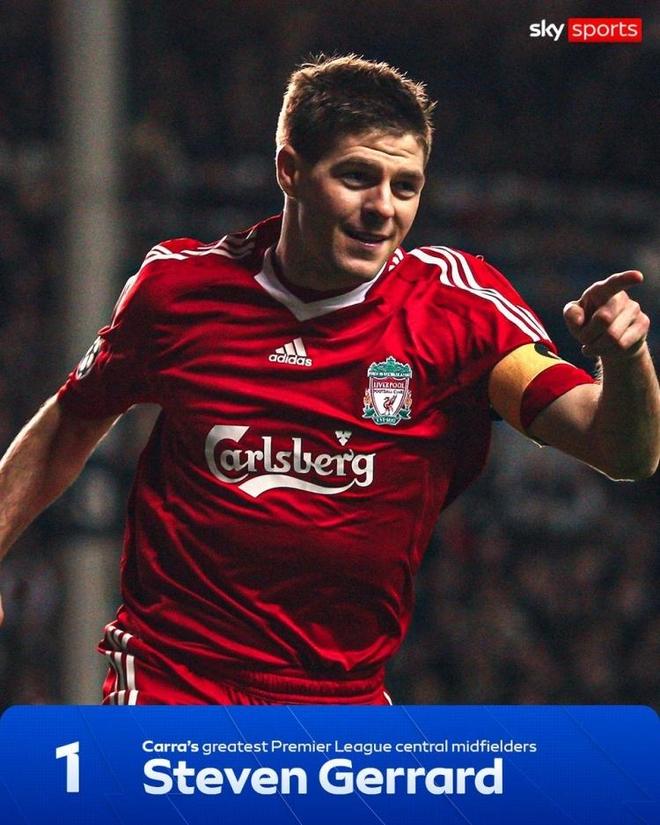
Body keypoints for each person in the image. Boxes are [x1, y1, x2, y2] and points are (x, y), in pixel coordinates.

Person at [0, 55, 658, 705]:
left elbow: (621, 451)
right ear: (289, 169)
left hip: (345, 697)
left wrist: (626, 360)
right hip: (176, 676)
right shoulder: (180, 291)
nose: (382, 208)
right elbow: (70, 420)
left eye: (405, 187)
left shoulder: (460, 313)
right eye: (357, 177)